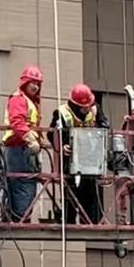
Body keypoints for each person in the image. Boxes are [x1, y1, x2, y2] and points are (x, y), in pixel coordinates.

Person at [51, 84, 109, 225]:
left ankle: (90, 224)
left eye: (89, 105)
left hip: (90, 161)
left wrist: (100, 124)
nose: (87, 109)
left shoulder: (95, 109)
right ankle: (69, 223)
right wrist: (62, 145)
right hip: (70, 162)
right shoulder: (62, 113)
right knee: (70, 197)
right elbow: (52, 134)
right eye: (84, 107)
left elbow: (104, 127)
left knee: (90, 198)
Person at [4, 65, 47, 221]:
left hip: (24, 149)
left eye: (38, 84)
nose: (35, 87)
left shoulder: (29, 101)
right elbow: (17, 122)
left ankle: (19, 217)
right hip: (18, 149)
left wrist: (37, 141)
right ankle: (19, 219)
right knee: (22, 185)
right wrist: (31, 139)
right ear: (25, 82)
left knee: (25, 184)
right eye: (33, 83)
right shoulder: (19, 99)